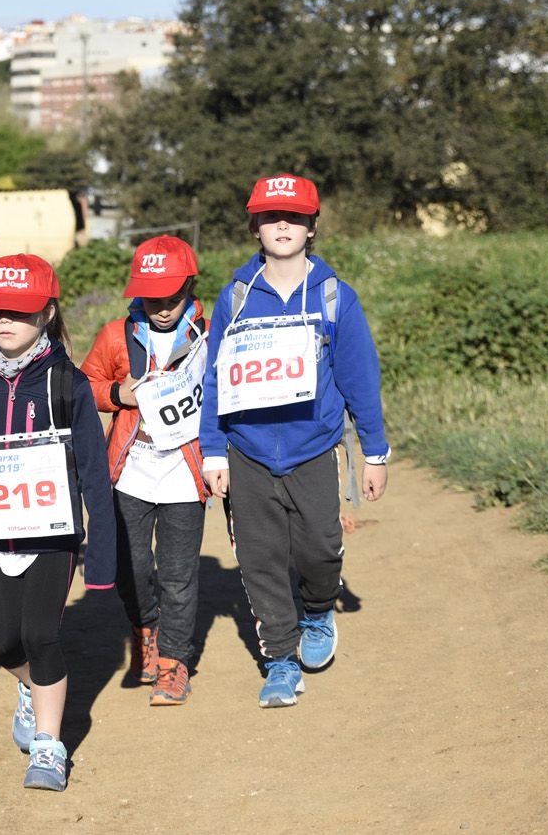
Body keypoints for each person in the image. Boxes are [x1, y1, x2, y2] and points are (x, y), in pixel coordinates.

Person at [199, 174, 390, 708]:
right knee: (259, 561)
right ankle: (280, 661)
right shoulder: (235, 297)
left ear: (311, 226)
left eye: (295, 217)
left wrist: (375, 453)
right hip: (247, 453)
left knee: (320, 551)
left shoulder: (335, 297)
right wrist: (214, 448)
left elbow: (359, 379)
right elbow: (214, 378)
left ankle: (317, 609)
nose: (282, 225)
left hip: (313, 451)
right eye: (270, 217)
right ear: (255, 226)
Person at [0, 255, 115, 792]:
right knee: (1, 642)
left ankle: (49, 746)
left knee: (42, 634)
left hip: (52, 534)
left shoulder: (67, 382)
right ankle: (31, 687)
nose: (4, 321)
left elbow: (94, 472)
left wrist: (104, 560)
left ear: (46, 314)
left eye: (19, 312)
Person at [80, 236, 209, 706]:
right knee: (127, 566)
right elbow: (86, 384)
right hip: (130, 468)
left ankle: (174, 664)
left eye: (172, 297)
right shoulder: (116, 335)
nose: (161, 308)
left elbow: (219, 402)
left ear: (189, 288)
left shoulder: (207, 335)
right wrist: (119, 395)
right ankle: (145, 628)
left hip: (183, 469)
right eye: (152, 297)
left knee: (179, 574)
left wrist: (219, 462)